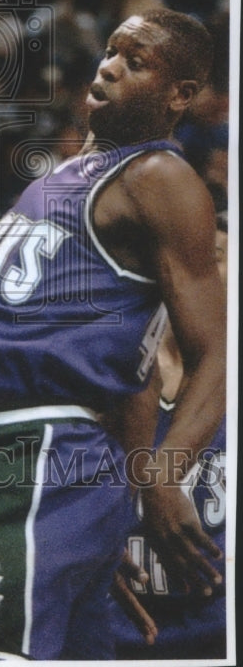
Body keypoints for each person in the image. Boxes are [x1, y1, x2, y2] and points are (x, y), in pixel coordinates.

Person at [0, 10, 227, 660]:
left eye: (136, 62)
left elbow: (218, 350)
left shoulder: (157, 178)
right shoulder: (69, 175)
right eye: (109, 51)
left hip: (28, 458)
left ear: (180, 95)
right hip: (56, 481)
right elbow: (133, 371)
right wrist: (96, 526)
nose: (107, 66)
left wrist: (165, 474)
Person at [110, 210, 228, 659]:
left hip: (218, 634)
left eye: (213, 258)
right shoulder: (110, 365)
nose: (195, 274)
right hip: (113, 631)